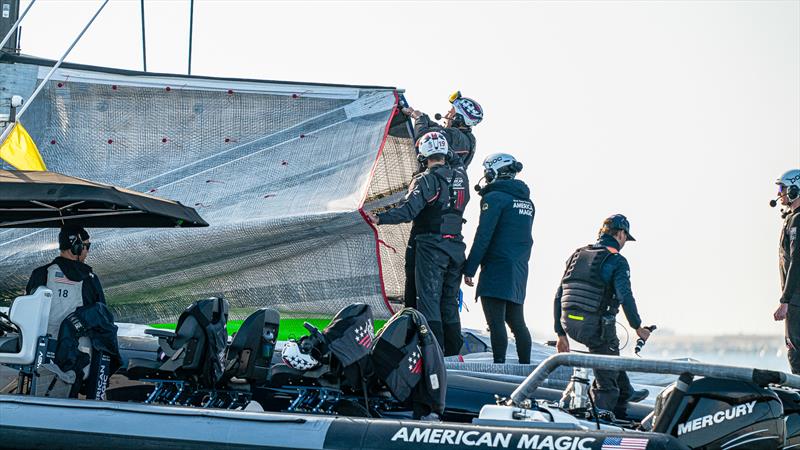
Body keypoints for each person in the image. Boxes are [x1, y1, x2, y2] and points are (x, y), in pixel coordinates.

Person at [367, 131, 469, 356]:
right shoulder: (462, 176)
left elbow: (408, 210)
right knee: (449, 302)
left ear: (422, 155)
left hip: (431, 248)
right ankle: (453, 354)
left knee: (428, 302)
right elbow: (456, 160)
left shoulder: (425, 180)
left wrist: (380, 217)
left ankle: (433, 356)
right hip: (456, 249)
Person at [553, 214, 649, 419]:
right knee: (606, 382)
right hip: (595, 328)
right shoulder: (617, 261)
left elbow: (558, 295)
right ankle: (600, 417)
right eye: (625, 238)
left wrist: (560, 333)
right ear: (621, 234)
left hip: (569, 323)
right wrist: (638, 327)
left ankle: (627, 392)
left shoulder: (577, 254)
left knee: (611, 351)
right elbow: (625, 296)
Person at [400, 91, 482, 310]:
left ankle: (414, 326)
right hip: (445, 218)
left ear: (460, 118)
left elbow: (424, 137)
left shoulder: (456, 138)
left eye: (452, 111)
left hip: (432, 220)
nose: (447, 113)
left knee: (416, 281)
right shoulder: (467, 140)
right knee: (438, 295)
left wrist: (419, 117)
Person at [26, 226, 118, 398]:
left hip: (41, 350)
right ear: (76, 247)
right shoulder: (90, 280)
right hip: (78, 354)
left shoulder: (40, 274)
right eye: (87, 246)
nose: (87, 252)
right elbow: (101, 317)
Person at [462, 153, 534, 364]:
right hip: (519, 271)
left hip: (496, 268)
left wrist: (469, 269)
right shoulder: (527, 202)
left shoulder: (494, 198)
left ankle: (499, 364)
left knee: (496, 323)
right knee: (517, 322)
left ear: (494, 171)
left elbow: (484, 235)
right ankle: (526, 367)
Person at [772, 169, 800, 374]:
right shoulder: (792, 219)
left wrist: (785, 300)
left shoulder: (797, 220)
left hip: (796, 300)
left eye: (782, 188)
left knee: (795, 352)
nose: (779, 193)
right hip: (795, 298)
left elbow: (796, 262)